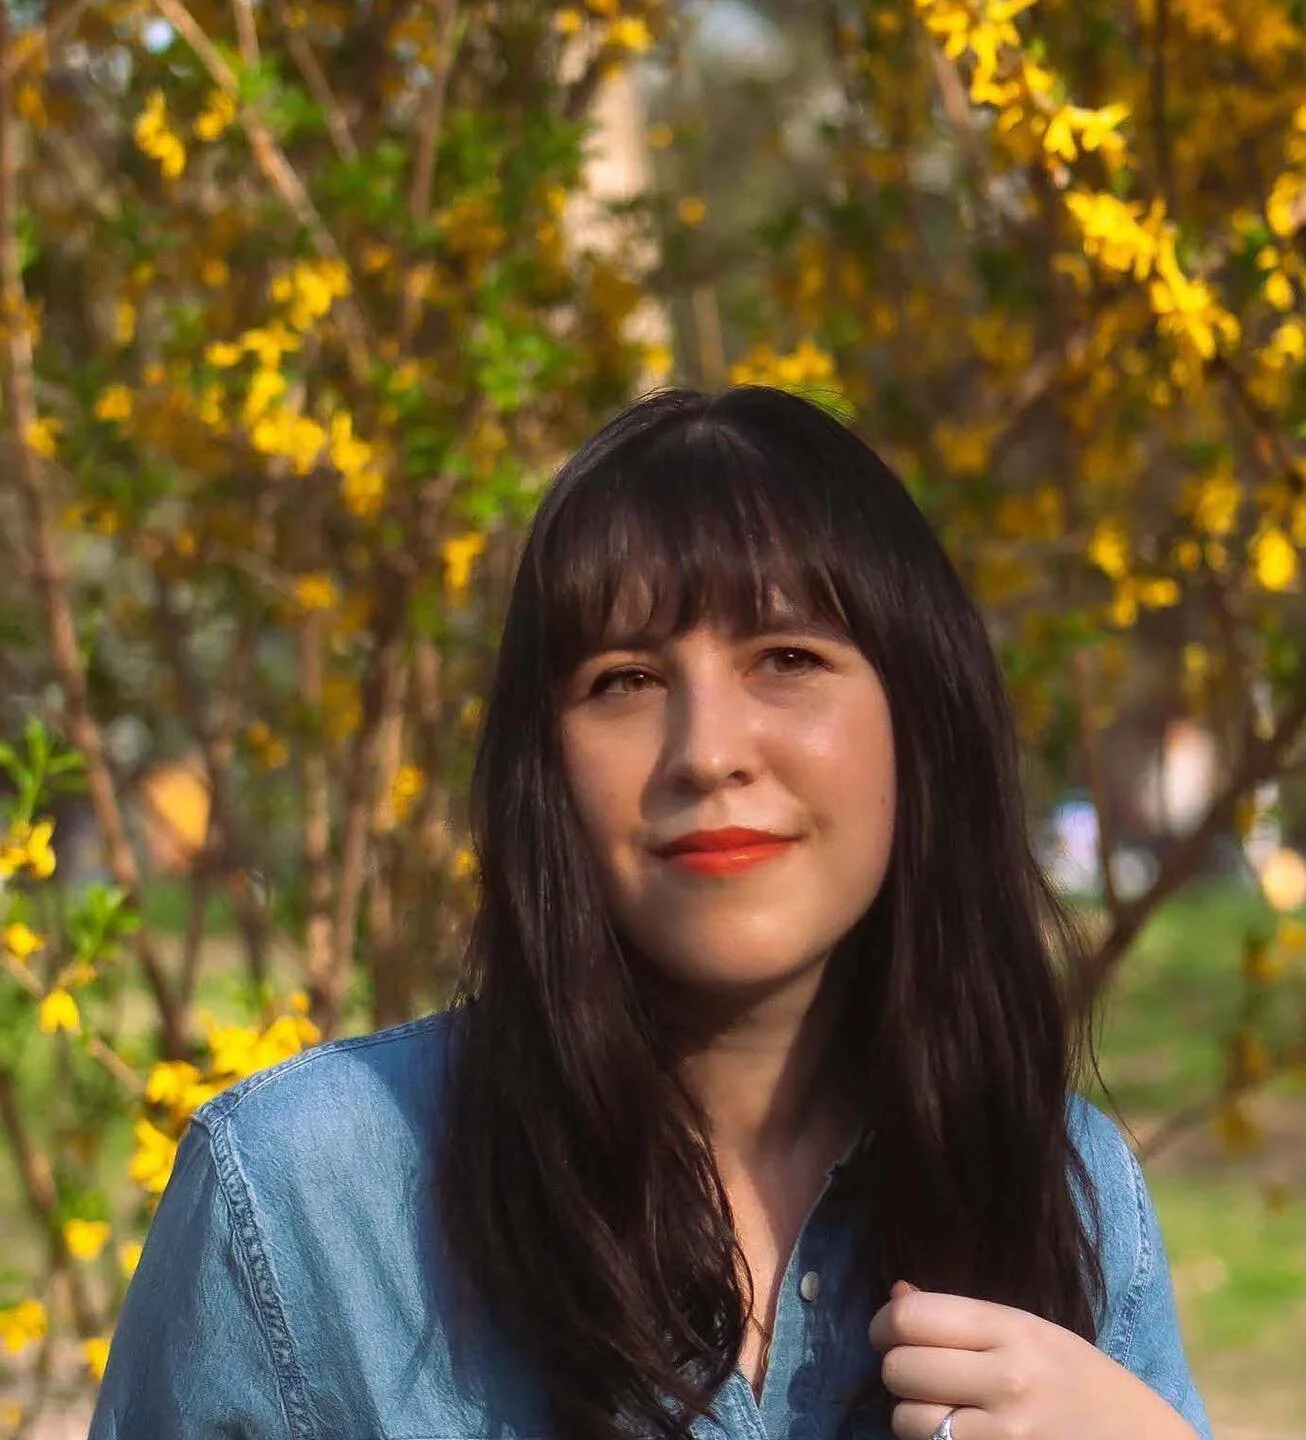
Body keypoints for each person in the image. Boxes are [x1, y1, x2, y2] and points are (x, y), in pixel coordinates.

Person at [90, 386, 1212, 1440]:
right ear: (544, 765)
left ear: (923, 723)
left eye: (787, 657)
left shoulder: (1058, 1177)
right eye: (624, 680)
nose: (708, 752)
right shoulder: (302, 1199)